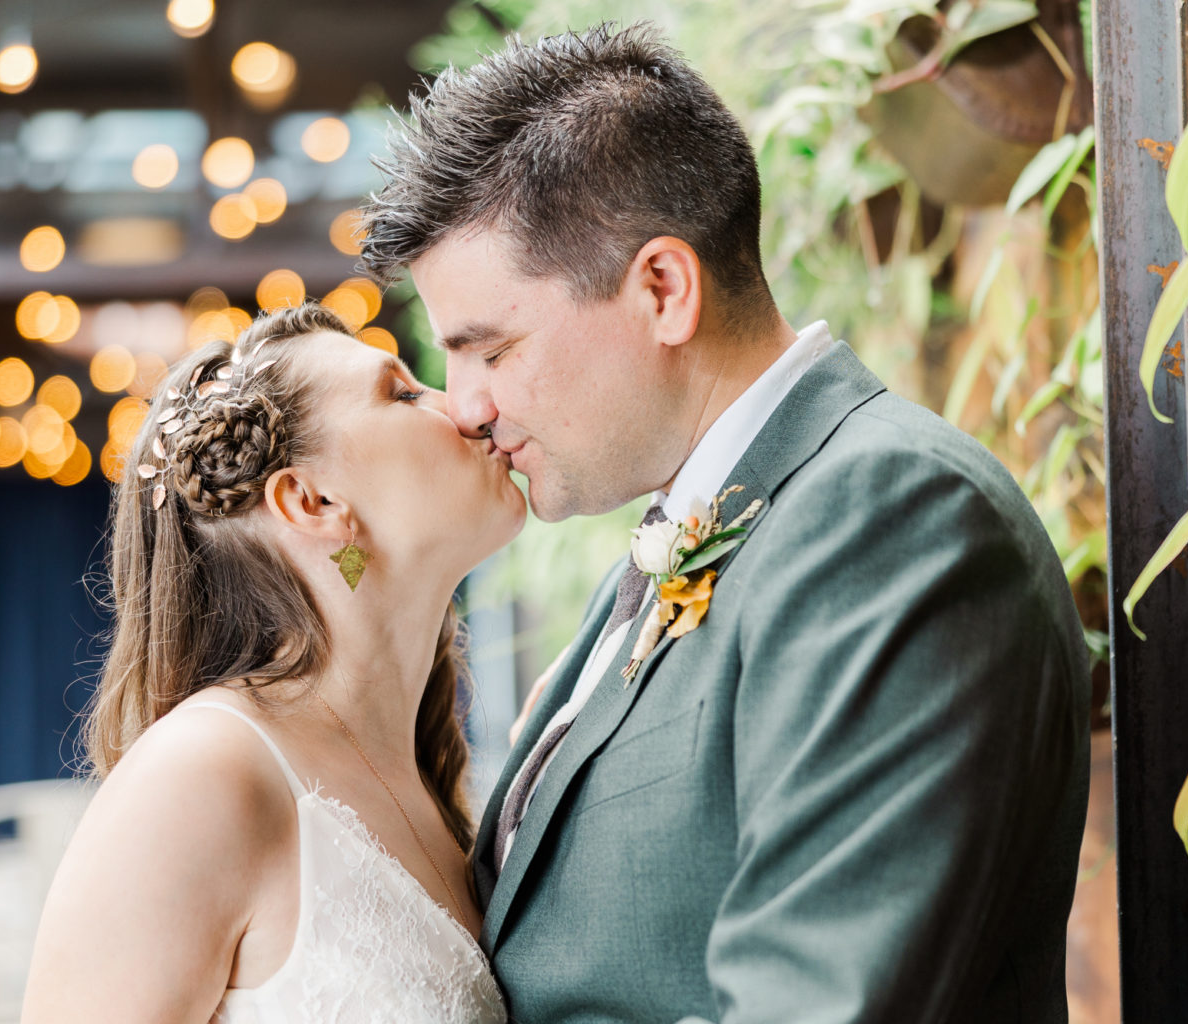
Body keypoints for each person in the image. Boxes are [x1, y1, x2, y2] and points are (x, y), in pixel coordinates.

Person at [357, 20, 1091, 1024]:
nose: (467, 403)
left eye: (489, 348)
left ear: (663, 288)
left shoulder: (889, 520)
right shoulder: (704, 529)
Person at [21, 303, 522, 1023]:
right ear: (313, 501)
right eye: (405, 393)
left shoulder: (429, 783)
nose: (470, 410)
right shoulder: (201, 774)